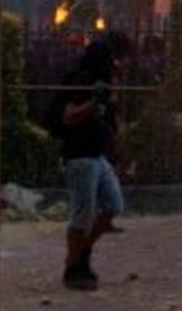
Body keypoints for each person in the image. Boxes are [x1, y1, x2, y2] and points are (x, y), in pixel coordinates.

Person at [50, 32, 133, 291]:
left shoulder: (103, 81)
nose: (117, 65)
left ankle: (81, 253)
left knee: (113, 205)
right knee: (82, 215)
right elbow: (69, 116)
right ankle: (73, 270)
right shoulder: (81, 80)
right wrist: (93, 100)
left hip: (97, 155)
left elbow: (107, 122)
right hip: (79, 157)